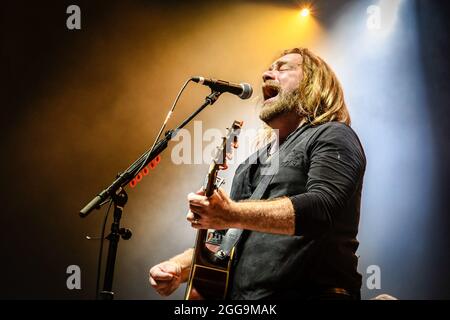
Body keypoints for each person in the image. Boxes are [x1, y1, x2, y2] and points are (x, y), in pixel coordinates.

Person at [149, 47, 366, 300]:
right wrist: (179, 267)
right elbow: (226, 239)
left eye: (282, 68)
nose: (266, 74)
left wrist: (230, 213)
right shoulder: (252, 163)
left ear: (313, 84)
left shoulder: (333, 134)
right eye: (268, 68)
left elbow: (323, 208)